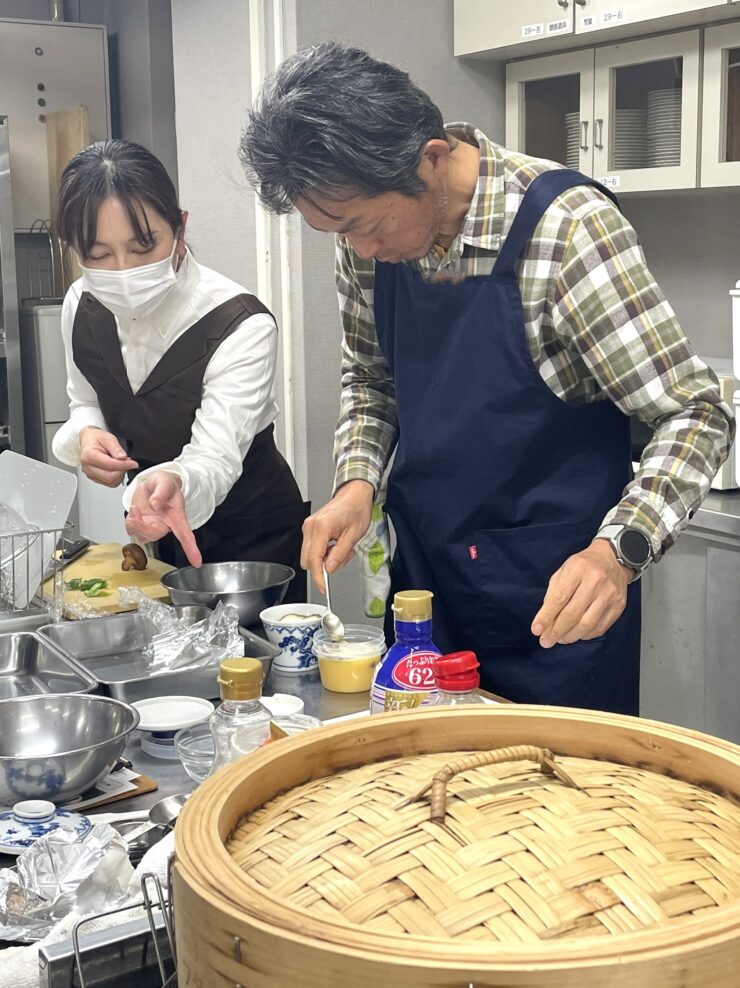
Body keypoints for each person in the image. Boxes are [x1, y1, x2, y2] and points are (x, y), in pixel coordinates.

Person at [240, 42, 735, 713]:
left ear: (431, 160)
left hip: (555, 603)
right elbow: (371, 379)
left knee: (551, 779)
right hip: (429, 594)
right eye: (338, 232)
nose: (360, 250)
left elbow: (696, 413)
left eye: (366, 226)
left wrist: (617, 554)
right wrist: (356, 485)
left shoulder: (567, 230)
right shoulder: (365, 246)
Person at [52, 140, 309, 600]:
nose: (123, 270)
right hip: (156, 522)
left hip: (252, 533)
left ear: (181, 227)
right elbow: (85, 400)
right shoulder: (80, 304)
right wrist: (88, 435)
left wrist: (176, 482)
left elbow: (214, 458)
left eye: (143, 246)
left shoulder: (240, 323)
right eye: (98, 254)